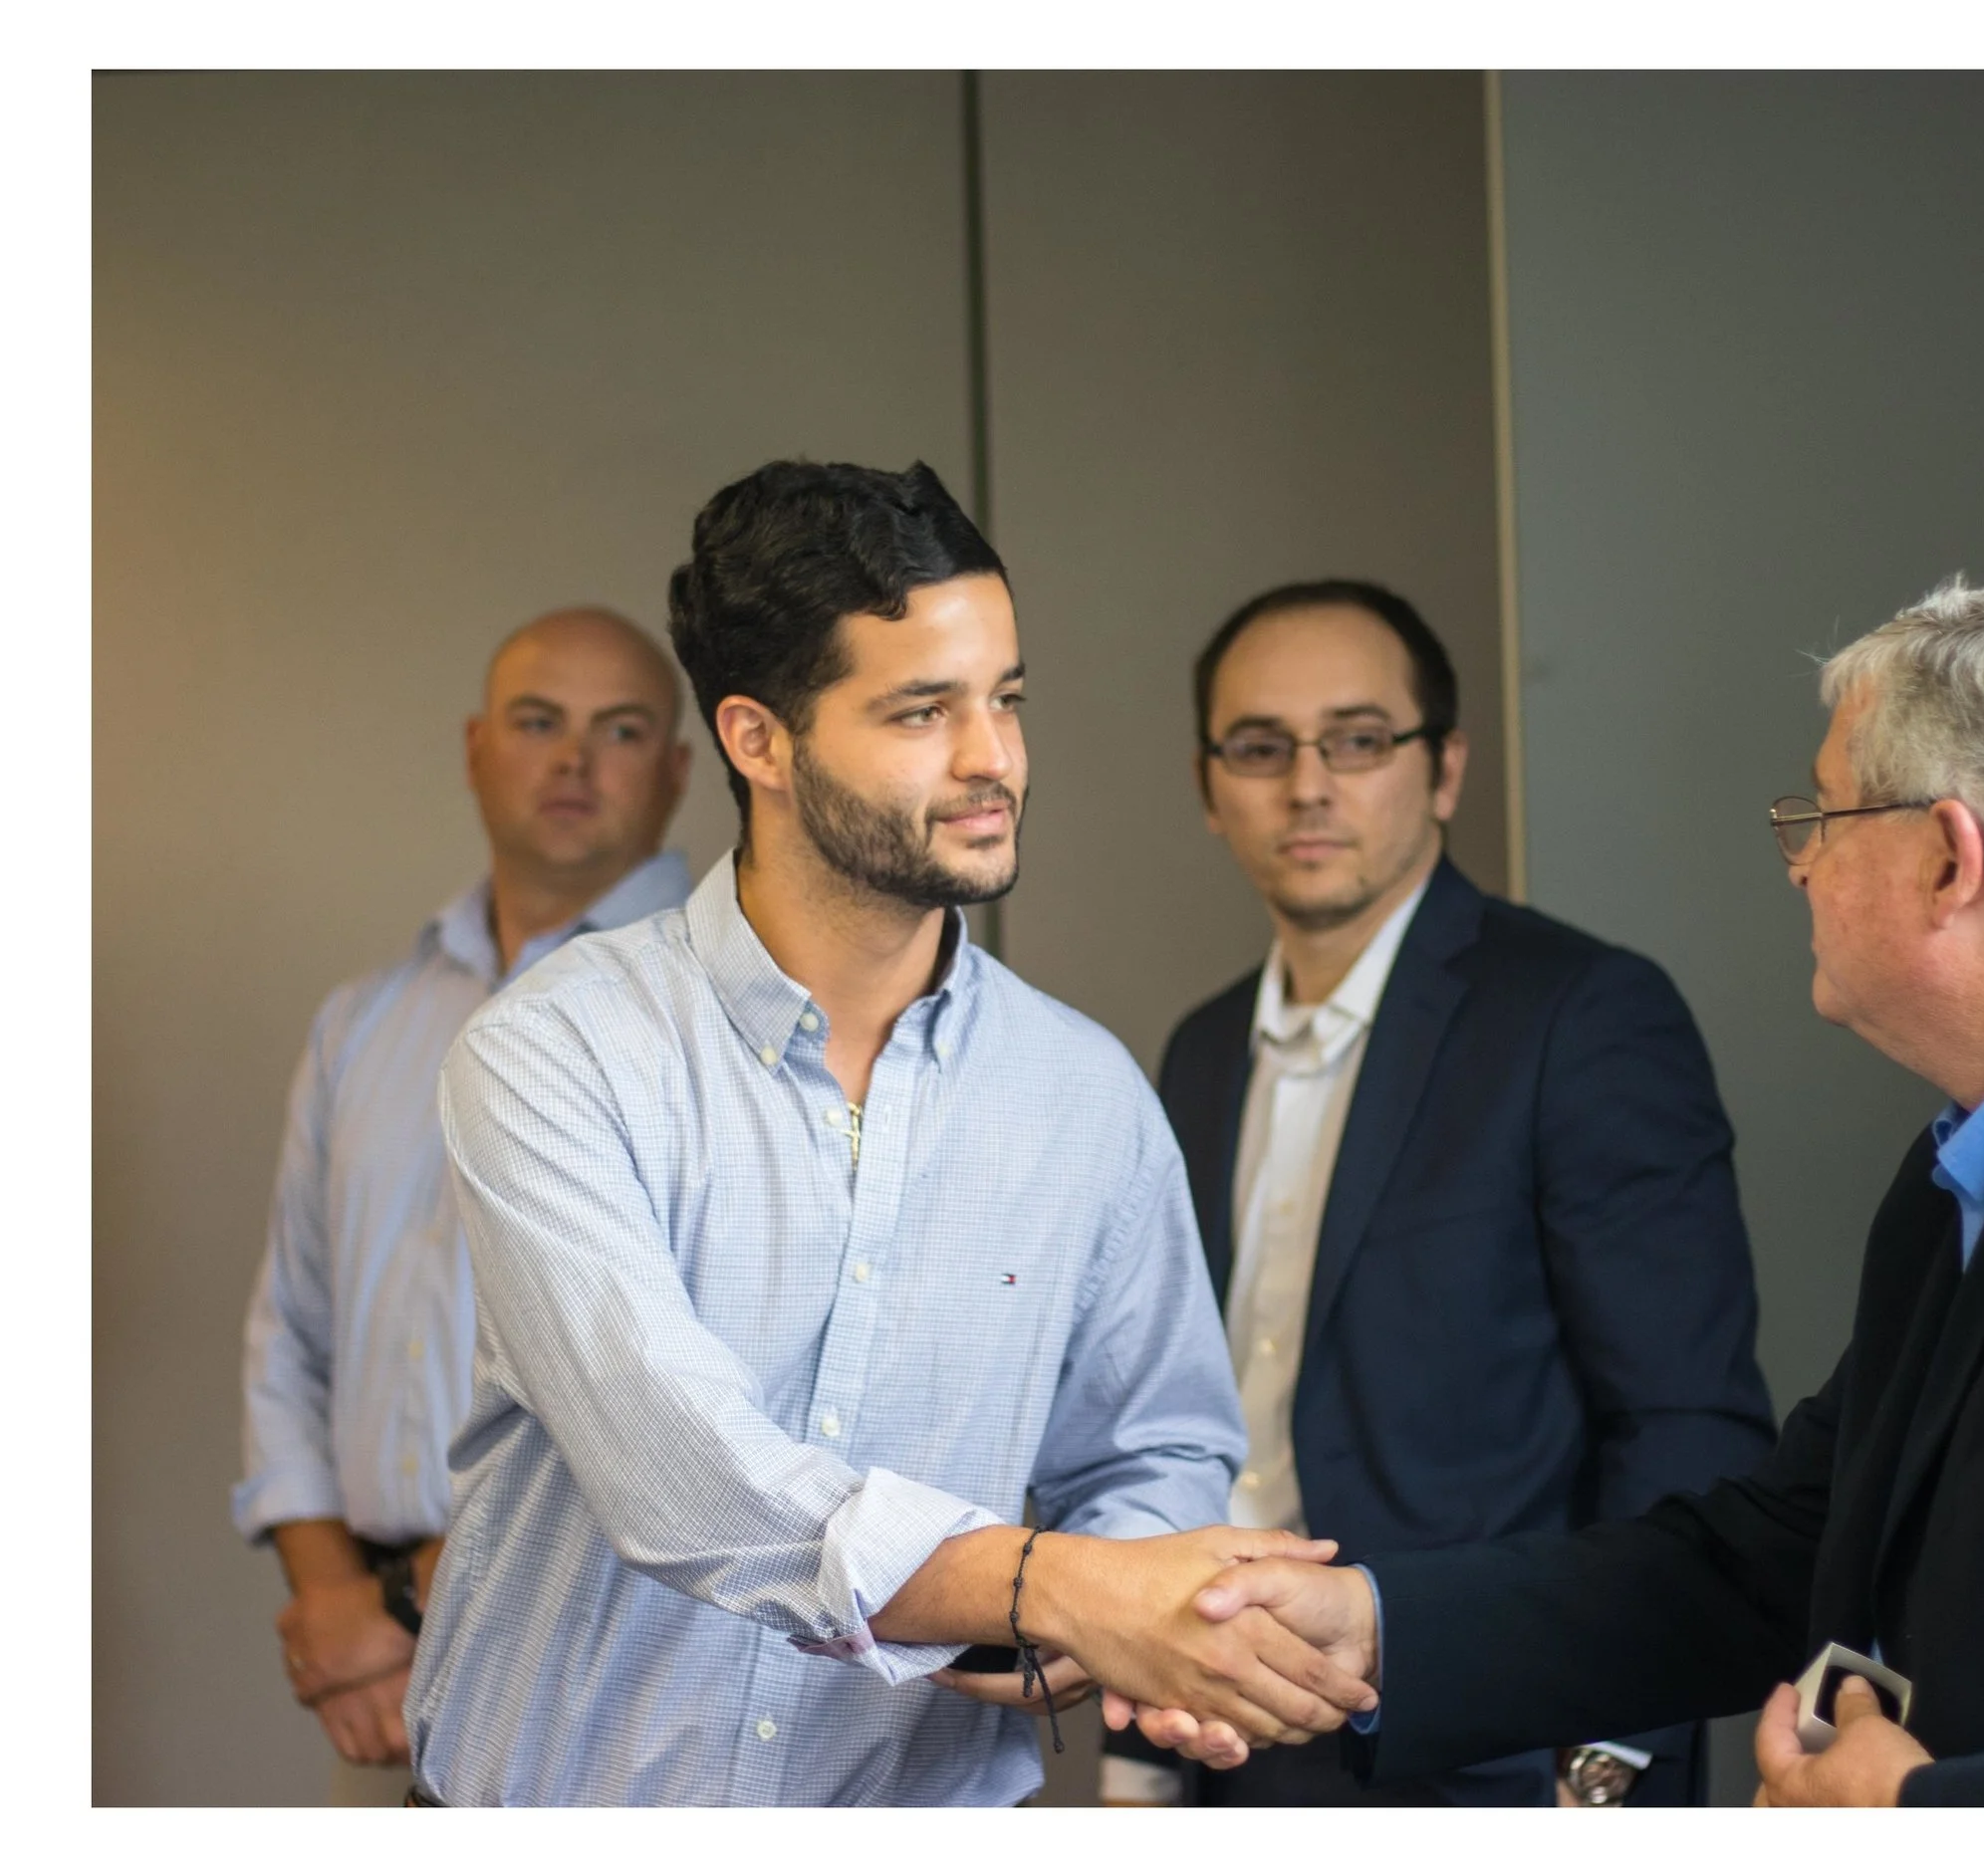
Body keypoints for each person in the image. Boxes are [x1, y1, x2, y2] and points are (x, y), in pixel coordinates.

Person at [1120, 579, 1984, 1805]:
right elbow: (1771, 1556)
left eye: (1822, 818)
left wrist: (1934, 1816)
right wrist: (1371, 1624)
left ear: (1948, 861)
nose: (1796, 866)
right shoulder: (1975, 1155)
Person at [401, 460, 1373, 1806]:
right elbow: (691, 1483)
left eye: (1007, 699)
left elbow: (1158, 1448)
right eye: (923, 711)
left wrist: (1104, 1622)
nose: (995, 760)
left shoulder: (1085, 1098)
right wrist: (1063, 1587)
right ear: (758, 740)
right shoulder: (555, 1056)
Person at [1101, 581, 1775, 1809]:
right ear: (1209, 789)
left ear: (1445, 768)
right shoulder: (1197, 1053)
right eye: (1260, 747)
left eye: (1357, 740)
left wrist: (1611, 1762)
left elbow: (1682, 1424)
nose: (1307, 785)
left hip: (1507, 1757)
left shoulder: (1581, 1015)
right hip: (1239, 1750)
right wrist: (1141, 1760)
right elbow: (1181, 1426)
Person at [235, 606, 697, 1803]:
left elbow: (685, 1394)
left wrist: (393, 1608)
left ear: (682, 769)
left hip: (624, 1646)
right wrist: (336, 1601)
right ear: (476, 746)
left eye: (621, 729)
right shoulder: (365, 1020)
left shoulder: (720, 1015)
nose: (572, 761)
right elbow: (291, 1332)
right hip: (375, 1669)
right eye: (538, 723)